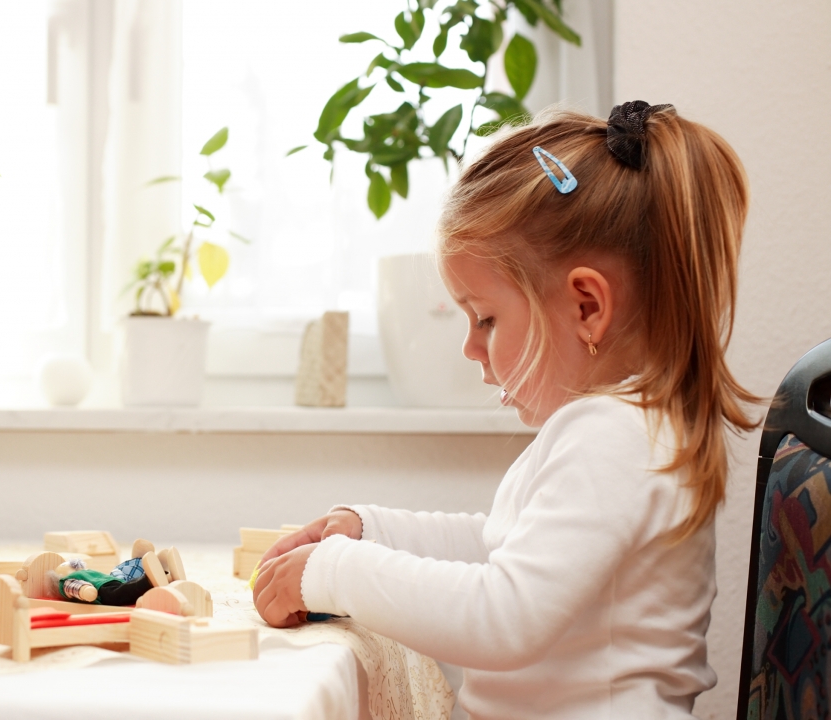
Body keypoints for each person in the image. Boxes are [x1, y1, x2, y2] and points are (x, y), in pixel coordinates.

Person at [251, 102, 759, 719]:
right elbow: (504, 546)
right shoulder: (618, 427)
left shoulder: (614, 436)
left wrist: (336, 571)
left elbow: (503, 614)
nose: (470, 347)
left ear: (587, 307)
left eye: (485, 318)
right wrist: (373, 530)